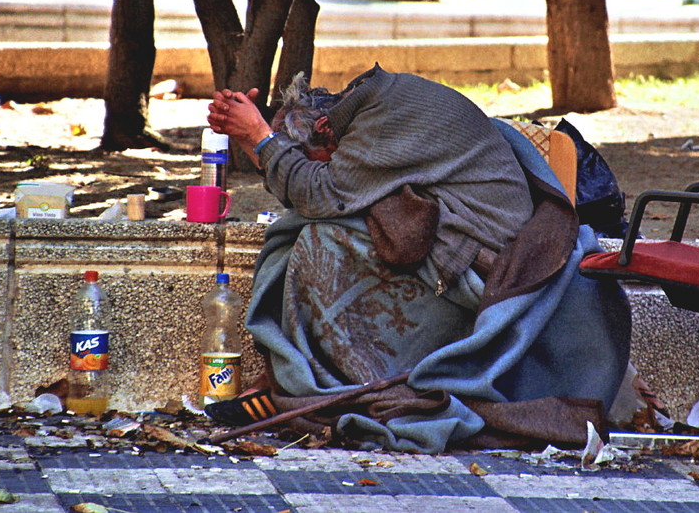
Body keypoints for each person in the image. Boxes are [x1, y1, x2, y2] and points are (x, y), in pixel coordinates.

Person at [205, 64, 631, 453]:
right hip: (467, 240)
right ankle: (292, 380)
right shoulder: (377, 102)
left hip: (488, 267)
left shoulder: (380, 122)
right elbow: (322, 190)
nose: (324, 168)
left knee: (316, 238)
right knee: (307, 227)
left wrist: (260, 137)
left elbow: (320, 194)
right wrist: (259, 138)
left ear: (324, 129)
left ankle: (314, 386)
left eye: (318, 160)